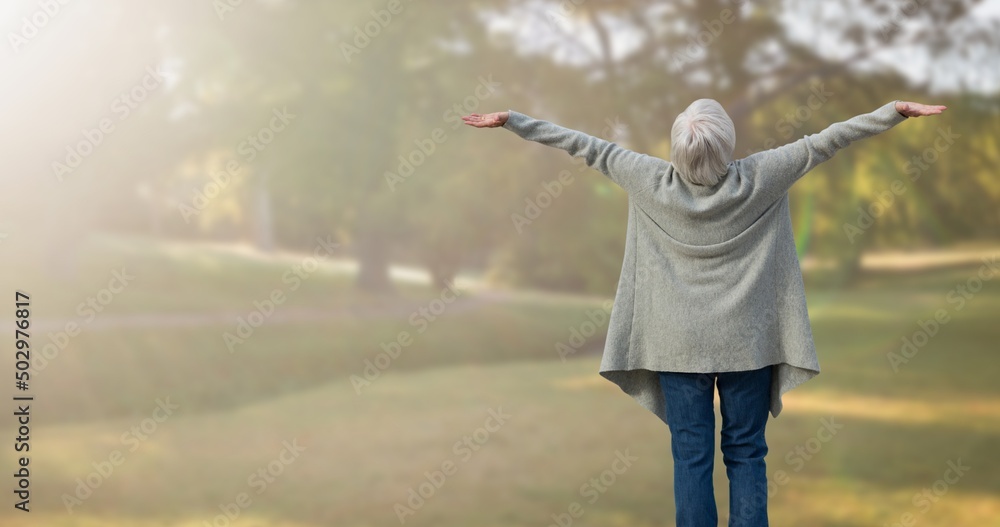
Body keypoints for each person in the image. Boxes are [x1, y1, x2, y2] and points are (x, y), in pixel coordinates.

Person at [463, 99, 946, 526]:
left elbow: (584, 146)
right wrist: (892, 113)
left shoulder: (647, 179)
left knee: (691, 457)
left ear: (677, 149)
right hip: (748, 347)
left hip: (677, 349)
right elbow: (827, 141)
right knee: (746, 453)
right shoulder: (763, 175)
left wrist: (514, 121)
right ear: (727, 143)